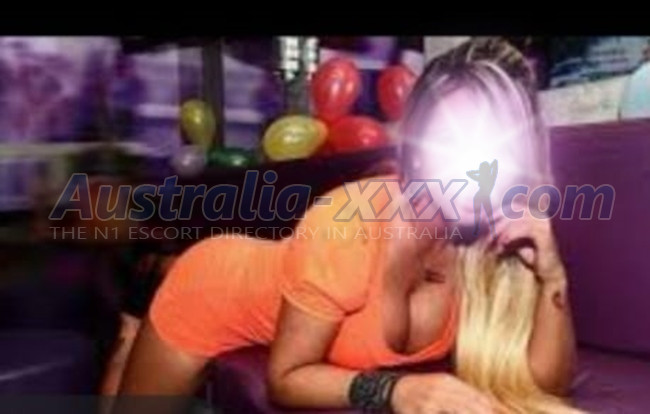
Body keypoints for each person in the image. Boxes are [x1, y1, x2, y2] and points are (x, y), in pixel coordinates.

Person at [117, 38, 579, 414]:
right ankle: (138, 309)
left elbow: (544, 385)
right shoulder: (350, 224)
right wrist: (395, 390)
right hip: (211, 294)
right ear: (417, 151)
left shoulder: (493, 245)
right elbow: (285, 380)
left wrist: (553, 278)